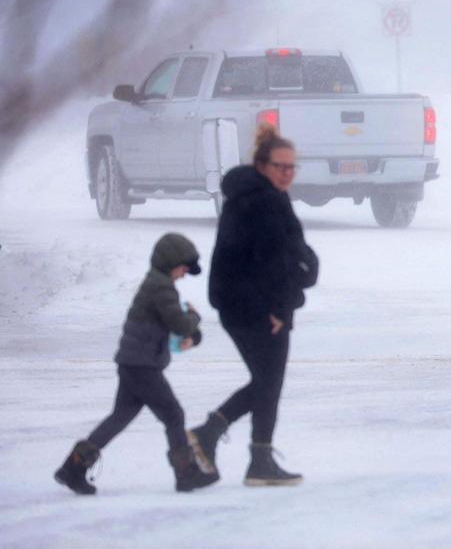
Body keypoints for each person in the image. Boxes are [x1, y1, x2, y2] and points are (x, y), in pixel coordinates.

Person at [188, 123, 319, 487]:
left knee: (267, 382)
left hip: (242, 304)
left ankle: (251, 455)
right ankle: (222, 441)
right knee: (267, 382)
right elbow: (271, 263)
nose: (287, 173)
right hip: (255, 307)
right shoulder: (262, 202)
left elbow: (290, 256)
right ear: (262, 165)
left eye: (292, 167)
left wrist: (305, 269)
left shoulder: (254, 195)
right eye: (281, 166)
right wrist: (277, 309)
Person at [54, 233, 218, 494]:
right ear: (170, 262)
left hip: (132, 363)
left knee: (120, 417)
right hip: (143, 367)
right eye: (183, 268)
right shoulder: (162, 287)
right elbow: (178, 323)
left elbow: (169, 327)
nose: (184, 274)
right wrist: (194, 318)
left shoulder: (156, 283)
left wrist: (191, 333)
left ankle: (73, 467)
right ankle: (185, 473)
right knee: (174, 415)